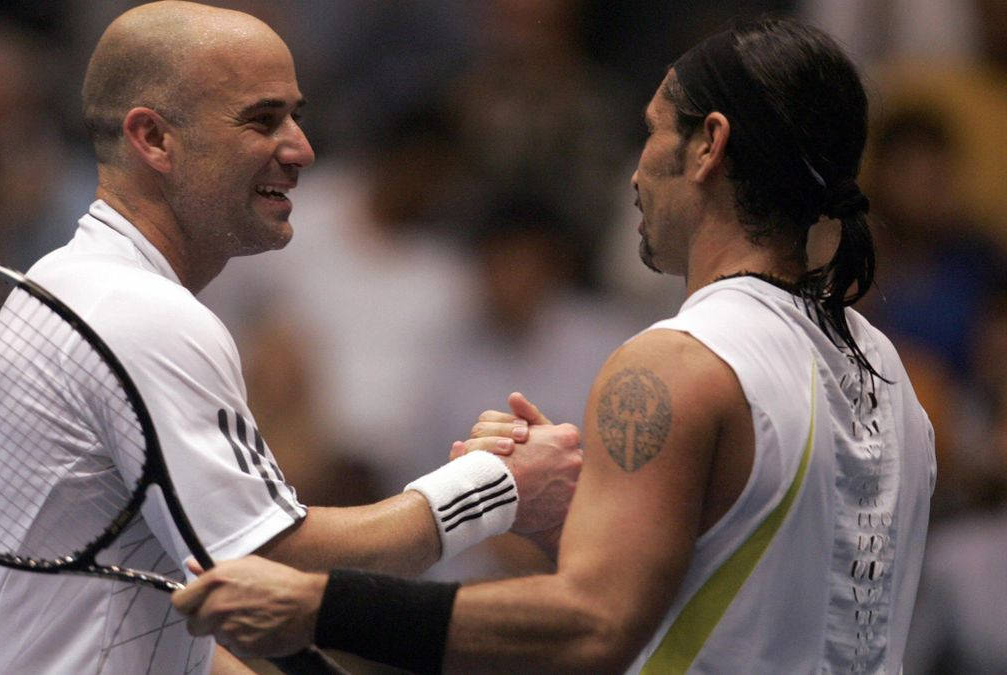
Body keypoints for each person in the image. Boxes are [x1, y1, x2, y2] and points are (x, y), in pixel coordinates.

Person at [170, 18, 937, 674]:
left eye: (651, 132)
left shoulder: (675, 364)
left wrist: (318, 603)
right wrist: (581, 520)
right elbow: (773, 595)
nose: (634, 171)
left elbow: (594, 624)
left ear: (708, 144)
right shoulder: (887, 372)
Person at [0, 3, 582, 673]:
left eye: (297, 116)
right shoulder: (140, 313)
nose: (302, 148)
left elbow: (162, 596)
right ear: (153, 138)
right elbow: (267, 563)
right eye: (262, 120)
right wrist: (497, 484)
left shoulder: (74, 284)